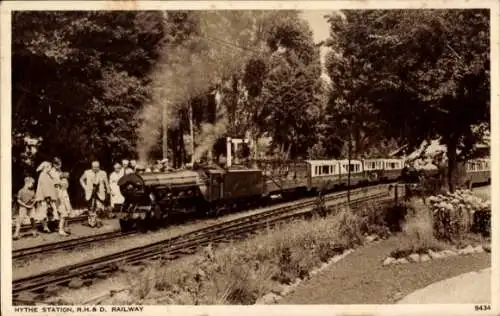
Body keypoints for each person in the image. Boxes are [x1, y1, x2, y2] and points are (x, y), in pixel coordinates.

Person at [80, 161, 110, 228]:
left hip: (100, 192)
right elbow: (81, 179)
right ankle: (92, 222)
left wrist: (108, 190)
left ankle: (98, 221)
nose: (96, 168)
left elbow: (106, 182)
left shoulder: (103, 173)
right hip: (90, 192)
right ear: (91, 167)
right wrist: (85, 187)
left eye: (97, 167)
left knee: (99, 207)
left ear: (99, 166)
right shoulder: (87, 172)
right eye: (94, 167)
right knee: (91, 208)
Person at [34, 161, 59, 233]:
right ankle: (45, 227)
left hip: (49, 197)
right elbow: (44, 187)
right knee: (44, 212)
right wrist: (47, 197)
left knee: (49, 212)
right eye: (50, 167)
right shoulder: (43, 175)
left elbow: (54, 182)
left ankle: (49, 226)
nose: (50, 169)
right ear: (46, 167)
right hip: (45, 197)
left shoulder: (48, 175)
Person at [52, 157, 70, 236]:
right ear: (54, 164)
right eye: (57, 164)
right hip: (57, 194)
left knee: (64, 211)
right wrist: (61, 181)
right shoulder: (52, 172)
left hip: (63, 193)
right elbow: (54, 183)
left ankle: (62, 227)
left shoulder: (60, 171)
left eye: (60, 164)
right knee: (63, 212)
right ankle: (61, 229)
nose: (59, 166)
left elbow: (64, 183)